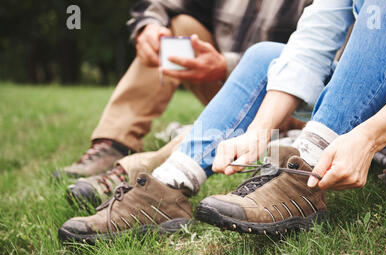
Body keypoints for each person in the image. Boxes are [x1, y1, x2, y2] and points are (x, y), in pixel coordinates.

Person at [58, 0, 386, 243]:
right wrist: (260, 130)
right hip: (385, 95)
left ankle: (302, 175)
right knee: (265, 55)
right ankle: (170, 186)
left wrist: (366, 138)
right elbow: (312, 42)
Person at [55, 0, 312, 181]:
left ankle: (150, 167)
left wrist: (227, 65)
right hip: (227, 84)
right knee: (177, 27)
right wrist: (149, 27)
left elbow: (326, 63)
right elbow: (164, 5)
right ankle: (114, 142)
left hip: (294, 101)